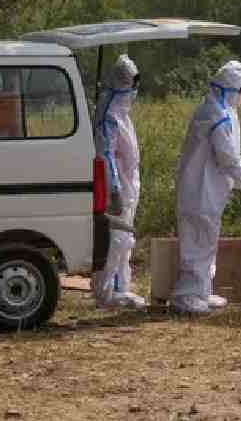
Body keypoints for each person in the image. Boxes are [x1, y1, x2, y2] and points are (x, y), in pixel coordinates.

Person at [170, 61, 241, 315]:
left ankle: (201, 291)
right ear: (232, 90)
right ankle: (186, 296)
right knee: (198, 241)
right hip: (200, 190)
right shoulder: (216, 115)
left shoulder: (216, 110)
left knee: (206, 240)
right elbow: (227, 158)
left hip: (206, 189)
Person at [93, 54, 146, 309]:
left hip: (127, 183)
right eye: (133, 83)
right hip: (118, 187)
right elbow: (106, 154)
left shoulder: (120, 109)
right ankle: (107, 292)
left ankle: (121, 287)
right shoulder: (110, 113)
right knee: (116, 238)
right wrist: (114, 190)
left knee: (125, 239)